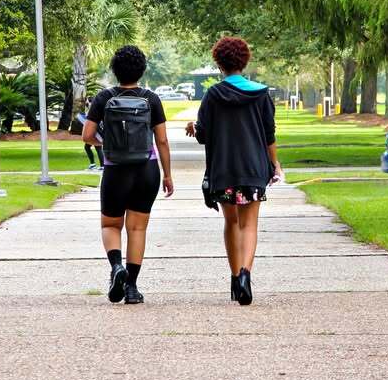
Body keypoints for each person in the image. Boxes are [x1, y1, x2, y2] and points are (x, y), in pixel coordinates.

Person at [186, 37, 282, 306]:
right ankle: (245, 276)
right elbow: (269, 135)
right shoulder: (261, 94)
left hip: (224, 169)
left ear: (219, 63)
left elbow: (204, 135)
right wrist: (275, 163)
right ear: (245, 60)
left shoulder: (213, 95)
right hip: (253, 169)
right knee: (250, 223)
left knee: (231, 223)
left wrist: (194, 128)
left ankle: (233, 277)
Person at [82, 46, 174, 304]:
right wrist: (167, 175)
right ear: (142, 69)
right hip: (147, 168)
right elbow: (163, 141)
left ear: (114, 69)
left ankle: (116, 267)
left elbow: (87, 136)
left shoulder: (104, 98)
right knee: (137, 228)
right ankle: (132, 288)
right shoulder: (151, 99)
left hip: (115, 169)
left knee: (111, 224)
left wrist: (109, 144)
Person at [78, 99, 104, 170]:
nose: (87, 104)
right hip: (94, 131)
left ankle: (102, 166)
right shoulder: (93, 109)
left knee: (98, 147)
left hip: (96, 131)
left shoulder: (95, 109)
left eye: (88, 102)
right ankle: (93, 164)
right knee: (88, 147)